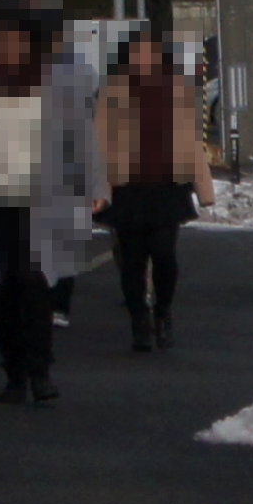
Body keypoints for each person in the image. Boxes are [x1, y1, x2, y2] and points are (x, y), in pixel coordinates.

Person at [0, 0, 103, 404]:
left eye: (17, 41)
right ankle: (13, 371)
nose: (9, 50)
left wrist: (95, 186)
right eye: (0, 42)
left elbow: (82, 139)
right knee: (2, 287)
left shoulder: (55, 85)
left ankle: (40, 369)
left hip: (42, 198)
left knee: (33, 280)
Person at [95, 27, 215, 351]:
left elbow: (191, 142)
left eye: (149, 52)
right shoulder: (112, 92)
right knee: (132, 260)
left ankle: (163, 311)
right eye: (136, 53)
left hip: (168, 184)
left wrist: (204, 188)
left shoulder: (177, 89)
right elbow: (100, 144)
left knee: (164, 253)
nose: (143, 59)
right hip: (128, 187)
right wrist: (98, 188)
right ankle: (139, 320)